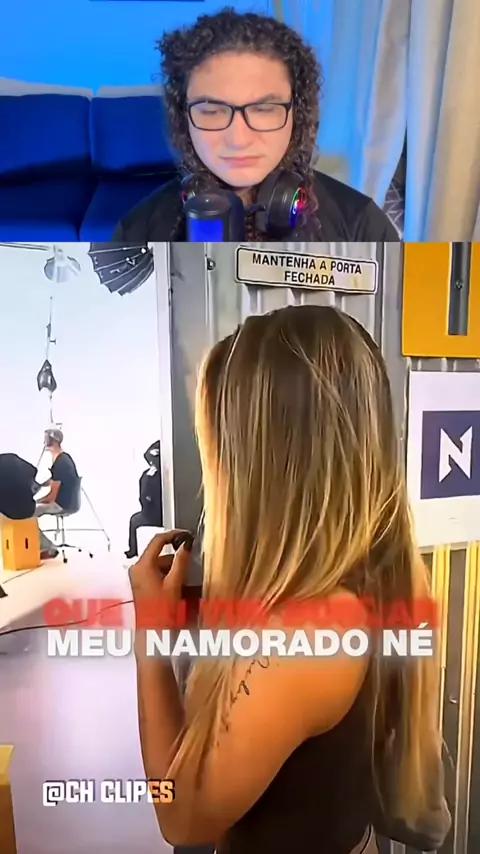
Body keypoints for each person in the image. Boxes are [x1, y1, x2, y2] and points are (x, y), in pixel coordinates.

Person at [128, 305, 451, 854]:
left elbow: (181, 818)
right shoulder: (373, 571)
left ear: (261, 459)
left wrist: (152, 638)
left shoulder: (304, 634)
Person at [113, 9, 400, 243]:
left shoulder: (362, 226)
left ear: (298, 115)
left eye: (263, 110)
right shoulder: (139, 231)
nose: (238, 139)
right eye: (212, 111)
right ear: (183, 118)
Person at [35, 428, 80, 559]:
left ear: (51, 441)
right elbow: (55, 480)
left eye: (46, 439)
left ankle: (48, 548)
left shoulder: (60, 464)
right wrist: (39, 485)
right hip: (70, 502)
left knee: (27, 513)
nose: (44, 442)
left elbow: (51, 497)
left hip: (61, 504)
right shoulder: (64, 458)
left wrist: (35, 501)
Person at [125, 440, 163, 559]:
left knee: (135, 521)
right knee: (134, 520)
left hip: (156, 514)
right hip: (149, 511)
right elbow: (147, 453)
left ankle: (133, 550)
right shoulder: (148, 474)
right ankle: (133, 550)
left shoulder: (157, 476)